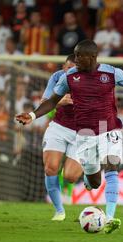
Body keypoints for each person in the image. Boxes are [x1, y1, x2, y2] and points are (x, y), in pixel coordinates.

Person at [16, 40, 123, 233]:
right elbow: (52, 102)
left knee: (111, 165)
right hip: (85, 135)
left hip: (110, 130)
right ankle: (90, 182)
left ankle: (110, 217)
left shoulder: (112, 73)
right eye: (74, 55)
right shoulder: (69, 77)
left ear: (91, 57)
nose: (75, 59)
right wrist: (32, 115)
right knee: (95, 181)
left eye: (78, 56)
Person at [40, 54, 83, 221]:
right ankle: (59, 211)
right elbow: (44, 102)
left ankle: (89, 165)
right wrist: (60, 101)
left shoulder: (89, 81)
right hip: (59, 127)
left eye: (73, 69)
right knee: (50, 168)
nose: (69, 72)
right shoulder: (57, 77)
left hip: (82, 132)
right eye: (67, 68)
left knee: (70, 176)